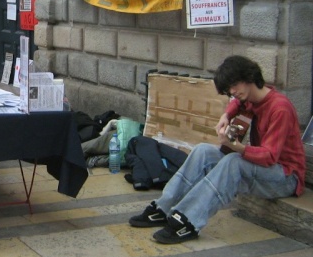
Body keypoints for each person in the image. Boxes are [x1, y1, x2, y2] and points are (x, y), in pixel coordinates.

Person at [129, 56, 306, 244]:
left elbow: (269, 157)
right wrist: (226, 115)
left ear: (249, 78)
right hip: (263, 169)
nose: (232, 92)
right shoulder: (251, 98)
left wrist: (236, 147)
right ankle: (164, 208)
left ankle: (188, 221)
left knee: (233, 161)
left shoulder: (280, 108)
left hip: (286, 177)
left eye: (234, 86)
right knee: (203, 150)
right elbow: (237, 103)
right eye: (229, 89)